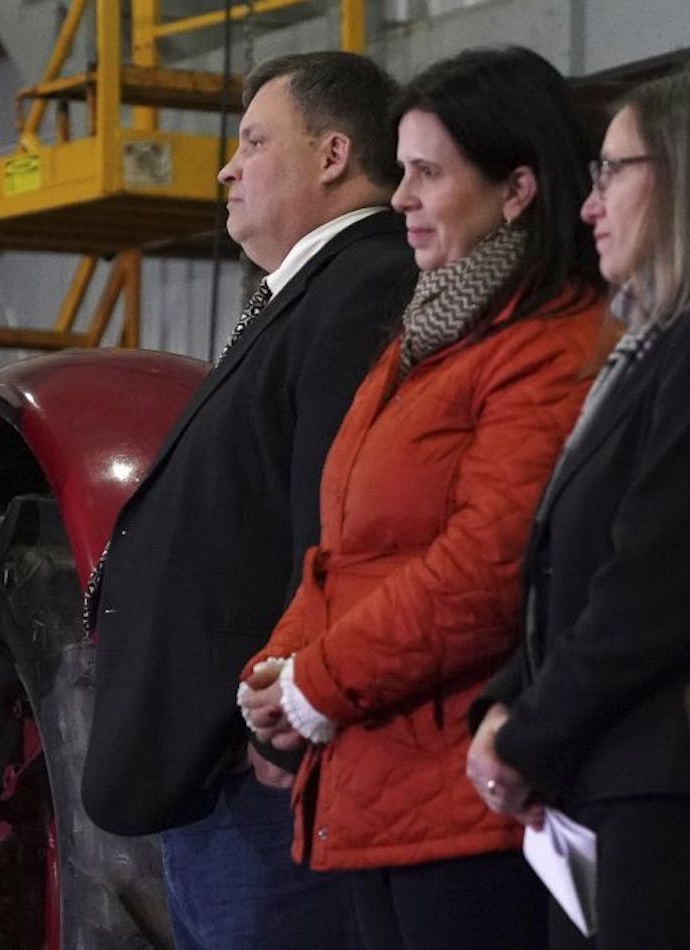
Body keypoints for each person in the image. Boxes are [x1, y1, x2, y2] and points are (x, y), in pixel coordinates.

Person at [239, 46, 607, 950]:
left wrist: (315, 684)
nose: (399, 197)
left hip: (464, 792)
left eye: (427, 174)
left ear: (516, 189)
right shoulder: (426, 336)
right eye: (400, 171)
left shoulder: (548, 342)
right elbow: (344, 547)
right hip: (378, 773)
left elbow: (490, 562)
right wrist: (278, 668)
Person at [80, 52, 415, 949]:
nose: (227, 168)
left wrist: (282, 717)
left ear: (334, 154)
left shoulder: (363, 281)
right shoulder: (303, 293)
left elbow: (337, 527)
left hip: (264, 768)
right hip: (227, 768)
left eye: (254, 141)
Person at [467, 71, 690, 949]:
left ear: (676, 176)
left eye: (611, 174)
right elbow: (569, 570)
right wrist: (504, 702)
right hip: (605, 779)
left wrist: (525, 733)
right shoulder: (641, 352)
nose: (590, 206)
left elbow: (650, 587)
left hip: (655, 789)